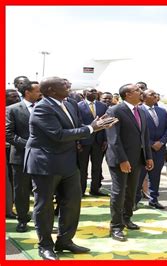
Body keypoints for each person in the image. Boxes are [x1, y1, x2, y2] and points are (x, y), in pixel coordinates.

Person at [24, 77, 117, 260]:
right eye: (63, 85)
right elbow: (58, 135)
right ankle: (45, 246)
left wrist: (95, 126)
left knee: (72, 203)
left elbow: (74, 128)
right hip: (46, 164)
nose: (69, 86)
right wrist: (91, 128)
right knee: (44, 207)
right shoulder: (42, 107)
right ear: (51, 90)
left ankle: (65, 241)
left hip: (68, 163)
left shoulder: (69, 104)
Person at [105, 83, 153, 242]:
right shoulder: (115, 110)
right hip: (121, 160)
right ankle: (116, 226)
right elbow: (113, 139)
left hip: (137, 159)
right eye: (137, 90)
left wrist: (148, 156)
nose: (141, 92)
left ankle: (126, 218)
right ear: (127, 94)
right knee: (119, 193)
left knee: (132, 191)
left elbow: (144, 136)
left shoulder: (141, 110)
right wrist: (123, 160)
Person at [6, 81, 41, 232]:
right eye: (38, 91)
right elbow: (8, 134)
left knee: (43, 190)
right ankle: (22, 220)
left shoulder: (44, 107)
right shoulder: (12, 109)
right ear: (27, 92)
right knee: (21, 191)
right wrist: (29, 145)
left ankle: (42, 221)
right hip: (21, 157)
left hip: (43, 157)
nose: (41, 93)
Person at [135, 89, 167, 209]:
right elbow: (137, 131)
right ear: (144, 98)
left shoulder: (162, 111)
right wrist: (151, 143)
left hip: (159, 150)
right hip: (144, 150)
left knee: (155, 176)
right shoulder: (138, 111)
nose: (155, 95)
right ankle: (134, 201)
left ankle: (154, 200)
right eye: (152, 94)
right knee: (139, 177)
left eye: (156, 94)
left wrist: (161, 142)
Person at [77, 88, 108, 196]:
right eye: (91, 91)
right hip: (84, 141)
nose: (94, 93)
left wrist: (105, 140)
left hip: (99, 141)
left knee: (97, 167)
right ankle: (81, 190)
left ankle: (95, 189)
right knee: (82, 167)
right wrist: (78, 141)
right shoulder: (78, 105)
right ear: (85, 93)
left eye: (95, 91)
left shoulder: (102, 106)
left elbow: (105, 124)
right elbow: (77, 123)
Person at [6, 89, 21, 220]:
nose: (16, 99)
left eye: (17, 96)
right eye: (13, 97)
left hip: (13, 149)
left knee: (11, 180)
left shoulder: (17, 110)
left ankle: (9, 208)